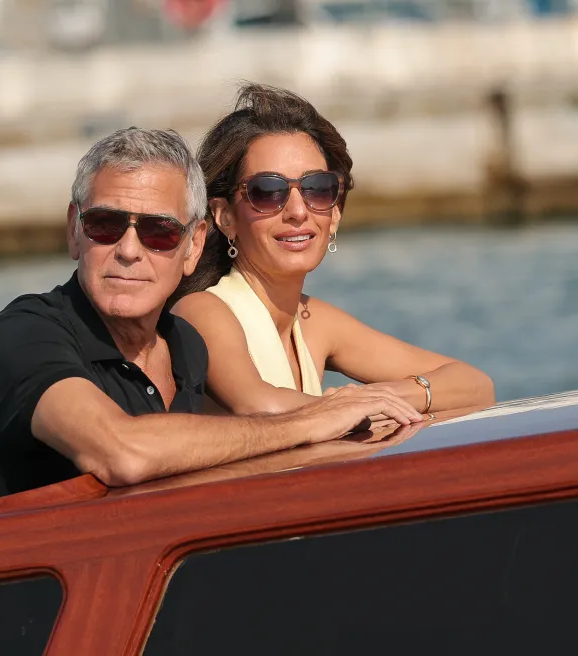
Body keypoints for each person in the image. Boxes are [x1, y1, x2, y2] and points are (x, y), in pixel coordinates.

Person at [0, 127, 425, 507]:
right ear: (75, 232)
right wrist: (313, 420)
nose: (130, 251)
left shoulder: (185, 347)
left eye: (159, 231)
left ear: (194, 246)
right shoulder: (24, 333)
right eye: (106, 225)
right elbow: (121, 452)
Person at [169, 84, 494, 418]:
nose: (298, 211)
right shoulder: (203, 311)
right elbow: (258, 404)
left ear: (335, 214)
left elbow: (475, 385)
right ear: (224, 217)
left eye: (318, 189)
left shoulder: (314, 320)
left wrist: (388, 395)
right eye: (268, 191)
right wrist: (356, 406)